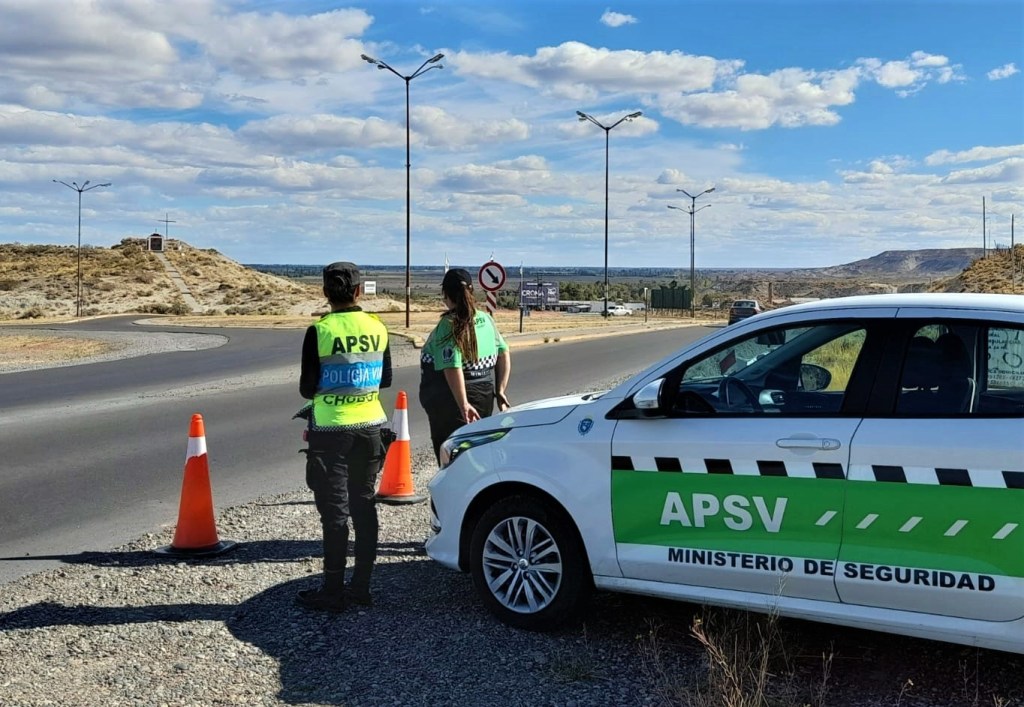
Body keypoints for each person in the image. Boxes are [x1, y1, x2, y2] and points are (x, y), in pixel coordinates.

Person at [295, 261, 391, 613]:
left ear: (325, 292)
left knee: (335, 514)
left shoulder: (318, 331)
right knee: (364, 507)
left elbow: (307, 388)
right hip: (370, 427)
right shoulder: (377, 326)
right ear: (358, 291)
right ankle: (362, 587)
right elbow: (386, 379)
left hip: (331, 431)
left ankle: (332, 590)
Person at [419, 268, 511, 462]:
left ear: (445, 294)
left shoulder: (449, 324)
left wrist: (463, 405)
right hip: (484, 394)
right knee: (476, 453)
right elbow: (503, 353)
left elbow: (452, 366)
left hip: (449, 400)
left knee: (452, 457)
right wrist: (500, 390)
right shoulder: (486, 319)